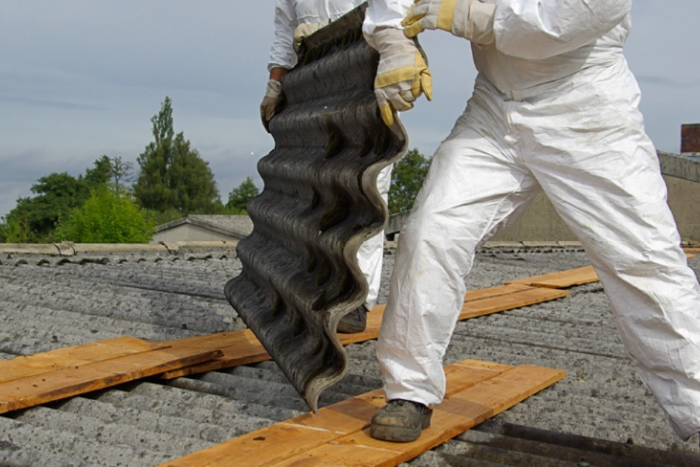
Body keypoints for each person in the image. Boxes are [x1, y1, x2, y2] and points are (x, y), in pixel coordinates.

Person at [363, 0, 700, 445]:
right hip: (494, 107)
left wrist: (465, 16)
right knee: (431, 232)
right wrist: (393, 43)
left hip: (586, 107)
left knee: (643, 261)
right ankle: (409, 391)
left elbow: (560, 22)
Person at [261, 0, 394, 333]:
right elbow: (283, 30)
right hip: (316, 87)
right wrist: (276, 84)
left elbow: (394, 12)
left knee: (367, 188)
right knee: (315, 187)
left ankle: (357, 299)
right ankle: (317, 286)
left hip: (367, 81)